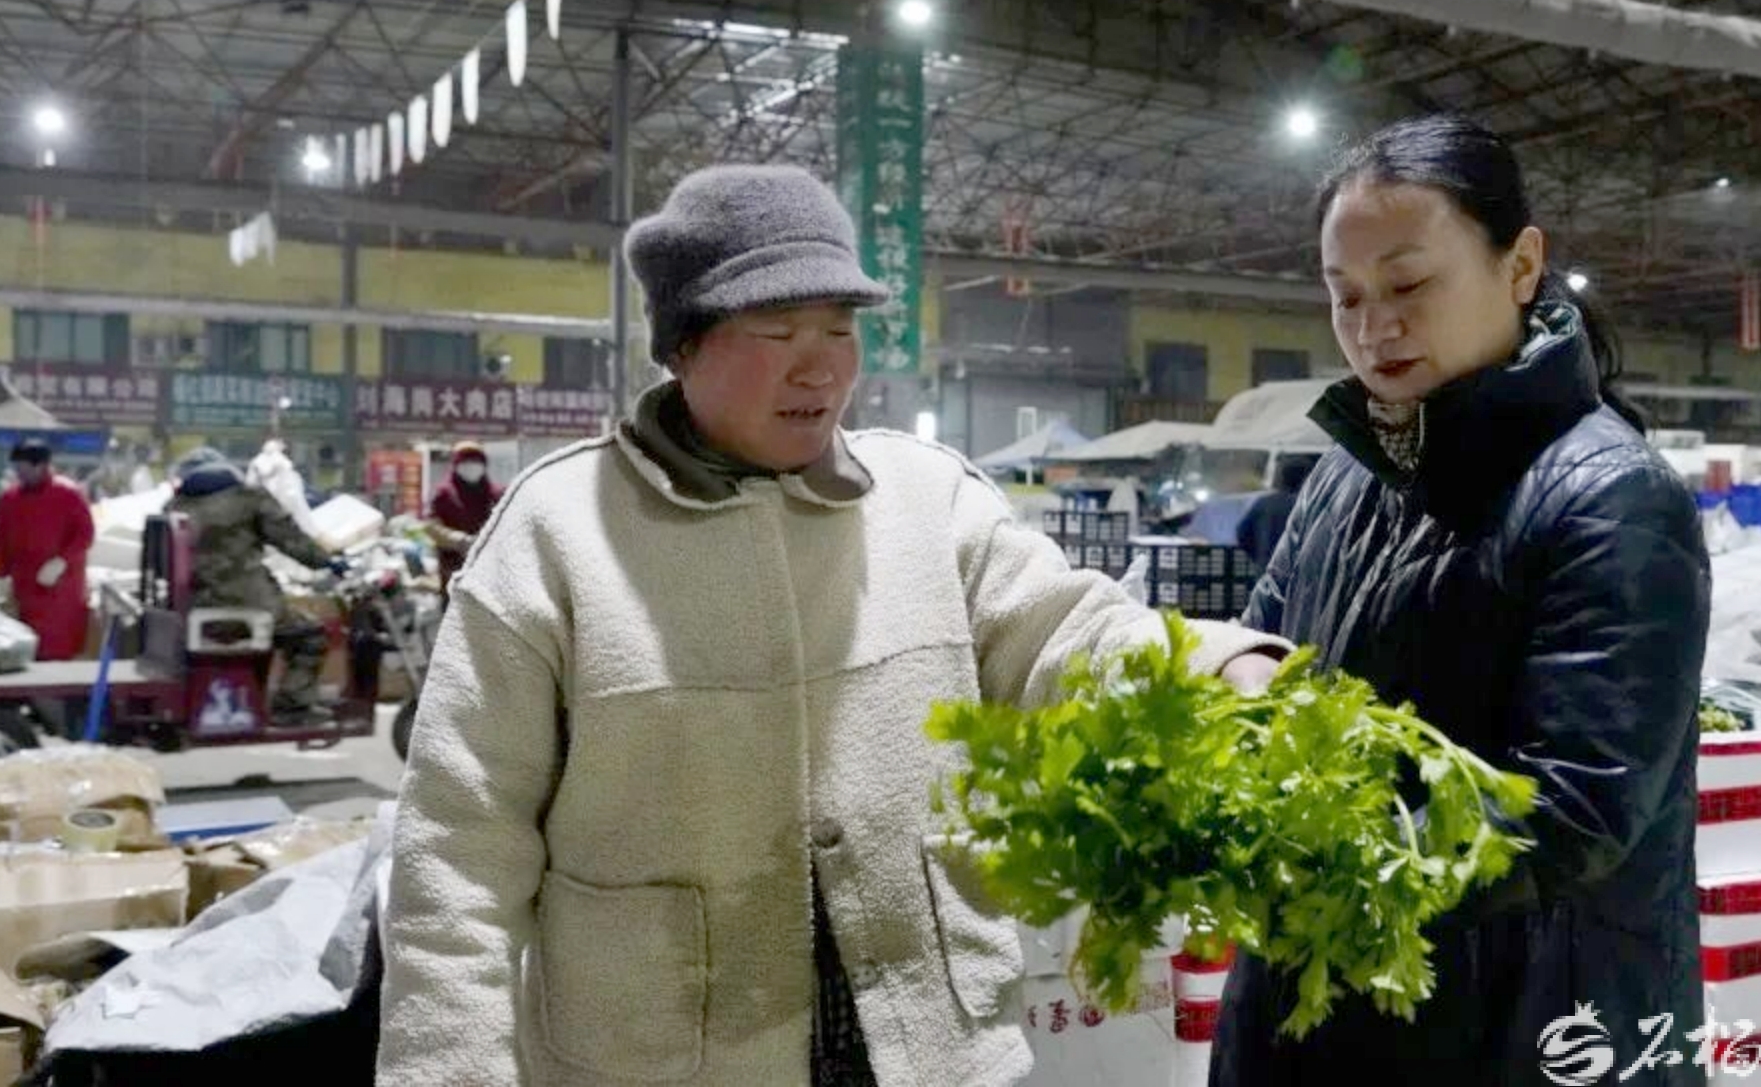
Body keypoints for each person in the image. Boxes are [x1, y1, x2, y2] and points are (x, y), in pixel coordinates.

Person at [377, 164, 1286, 1087]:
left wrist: (1219, 667)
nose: (818, 367)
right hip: (663, 1059)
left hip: (930, 1049)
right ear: (683, 348)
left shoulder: (926, 499)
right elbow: (458, 850)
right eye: (778, 332)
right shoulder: (559, 531)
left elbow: (1067, 633)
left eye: (840, 331)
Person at [1211, 115, 1710, 1085]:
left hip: (1513, 1028)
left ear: (1520, 265)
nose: (1373, 326)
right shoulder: (1343, 477)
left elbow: (1574, 814)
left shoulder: (1612, 496)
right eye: (1345, 295)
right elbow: (1258, 651)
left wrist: (1320, 843)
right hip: (1312, 1013)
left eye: (1408, 285)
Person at [167, 448, 342, 725]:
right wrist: (330, 562)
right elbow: (293, 541)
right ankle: (292, 706)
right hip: (249, 608)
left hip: (192, 612)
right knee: (311, 635)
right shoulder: (249, 499)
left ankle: (255, 697)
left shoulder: (174, 508)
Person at [0, 440, 95, 660]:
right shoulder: (10, 499)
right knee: (26, 646)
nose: (20, 474)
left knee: (58, 646)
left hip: (61, 587)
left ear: (42, 466)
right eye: (17, 468)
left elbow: (85, 534)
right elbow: (0, 541)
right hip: (24, 585)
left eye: (25, 468)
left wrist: (62, 561)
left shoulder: (68, 494)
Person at [427, 442, 504, 592]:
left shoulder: (496, 494)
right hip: (453, 569)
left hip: (490, 570)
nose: (471, 466)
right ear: (456, 465)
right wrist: (459, 540)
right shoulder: (443, 494)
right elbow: (430, 525)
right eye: (465, 462)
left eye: (476, 461)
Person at [1233, 454, 1315, 571]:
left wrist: (1258, 557)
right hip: (1299, 572)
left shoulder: (1264, 503)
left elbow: (1242, 533)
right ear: (1306, 479)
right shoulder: (1308, 506)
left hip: (1267, 569)